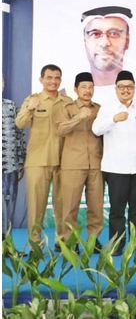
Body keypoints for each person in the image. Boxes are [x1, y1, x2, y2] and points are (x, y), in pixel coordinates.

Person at [92, 70, 136, 255]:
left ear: (134, 88)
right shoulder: (108, 108)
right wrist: (113, 119)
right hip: (116, 167)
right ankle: (117, 244)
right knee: (117, 209)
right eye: (122, 87)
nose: (126, 90)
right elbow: (96, 129)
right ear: (116, 89)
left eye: (129, 87)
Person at [15, 64, 72, 243]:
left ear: (60, 80)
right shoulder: (33, 99)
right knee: (36, 206)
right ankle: (35, 244)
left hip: (63, 160)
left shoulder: (67, 101)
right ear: (41, 80)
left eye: (57, 78)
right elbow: (20, 123)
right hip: (38, 160)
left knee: (63, 205)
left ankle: (63, 242)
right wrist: (29, 108)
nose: (53, 81)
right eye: (49, 77)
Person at [79, 6, 136, 105]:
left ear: (127, 41)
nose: (104, 43)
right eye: (95, 34)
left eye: (114, 34)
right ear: (85, 41)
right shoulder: (69, 95)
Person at [55, 72, 103, 248]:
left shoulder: (99, 109)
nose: (87, 90)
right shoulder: (66, 108)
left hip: (96, 163)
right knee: (70, 206)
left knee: (96, 206)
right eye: (83, 87)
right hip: (73, 164)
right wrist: (78, 117)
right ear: (76, 89)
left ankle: (93, 240)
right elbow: (60, 130)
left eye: (90, 87)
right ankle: (69, 240)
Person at [3, 83, 26, 233]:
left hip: (9, 165)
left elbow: (19, 135)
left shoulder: (11, 106)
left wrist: (21, 161)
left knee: (9, 202)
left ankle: (7, 241)